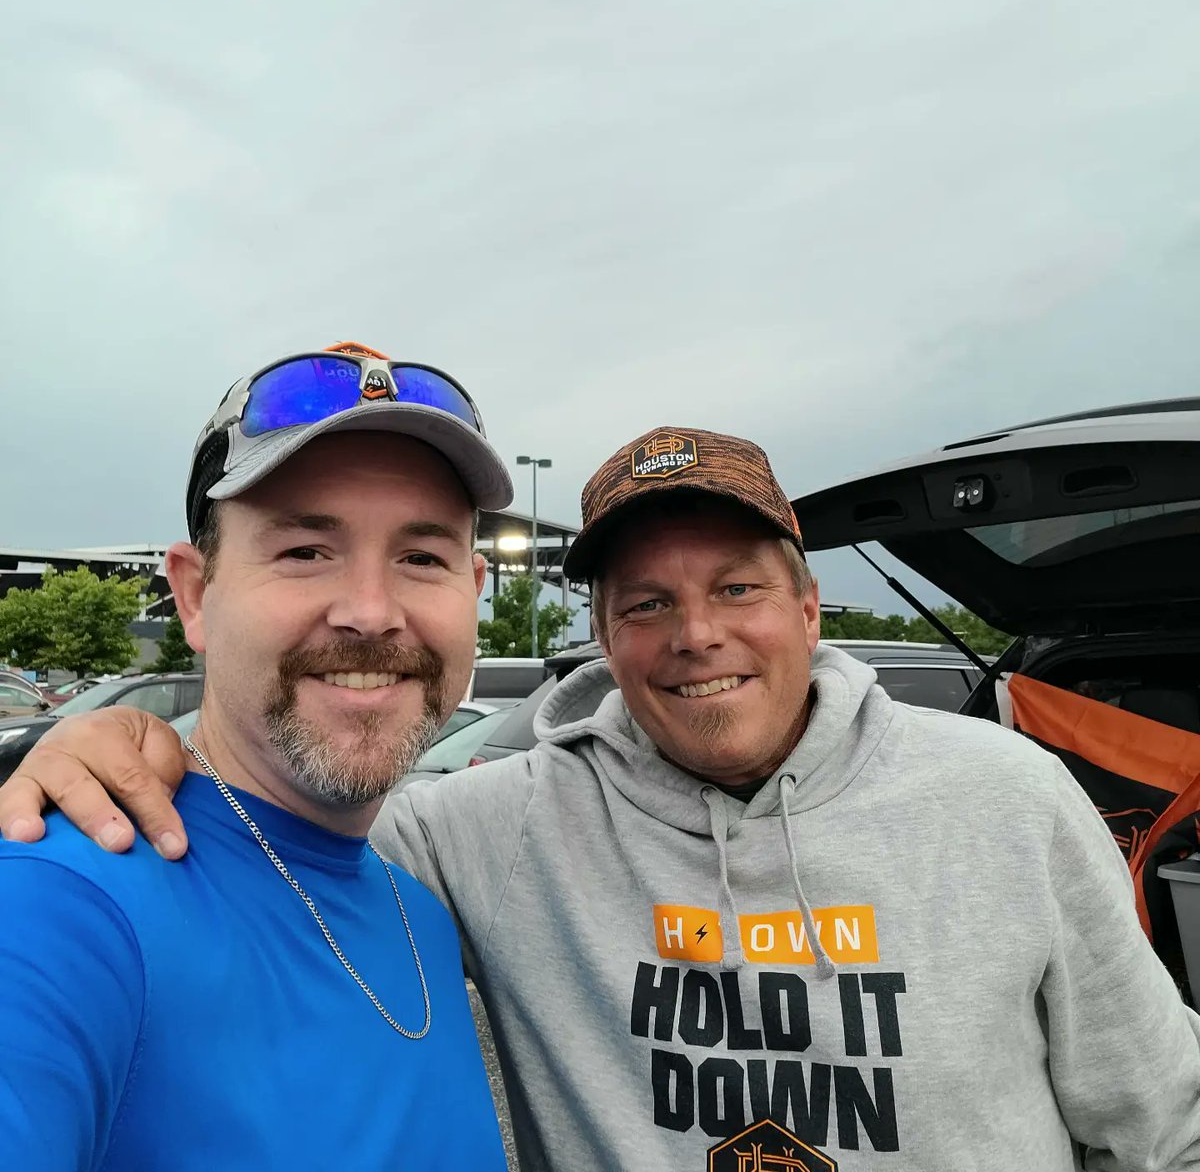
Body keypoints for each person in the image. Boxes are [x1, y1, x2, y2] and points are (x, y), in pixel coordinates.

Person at [5, 425, 1200, 1170]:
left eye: (736, 587)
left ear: (807, 612)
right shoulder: (481, 827)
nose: (696, 636)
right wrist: (117, 735)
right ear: (604, 640)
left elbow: (1163, 1123)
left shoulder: (1008, 796)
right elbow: (283, 817)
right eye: (644, 605)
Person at [0, 343, 511, 1169]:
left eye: (422, 557)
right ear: (196, 595)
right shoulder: (59, 903)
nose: (372, 612)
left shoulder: (418, 912)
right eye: (306, 550)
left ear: (473, 594)